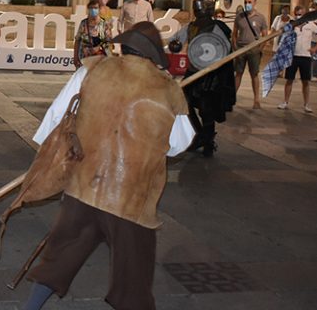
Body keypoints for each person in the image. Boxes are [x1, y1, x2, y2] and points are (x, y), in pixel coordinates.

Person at [15, 23, 193, 310]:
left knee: (59, 258)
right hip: (130, 202)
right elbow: (179, 144)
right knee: (133, 279)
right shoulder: (167, 88)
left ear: (125, 46)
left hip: (84, 187)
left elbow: (55, 117)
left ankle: (30, 308)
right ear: (153, 54)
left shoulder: (92, 69)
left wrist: (50, 161)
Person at [169, 0, 236, 158]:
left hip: (210, 75)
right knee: (184, 103)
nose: (197, 11)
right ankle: (201, 135)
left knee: (207, 109)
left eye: (200, 8)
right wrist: (174, 44)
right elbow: (175, 40)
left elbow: (225, 49)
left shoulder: (217, 27)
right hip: (193, 71)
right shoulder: (191, 27)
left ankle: (207, 140)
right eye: (196, 8)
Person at [278, 5, 317, 113]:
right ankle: (285, 102)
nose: (299, 16)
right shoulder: (292, 25)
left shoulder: (311, 25)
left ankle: (307, 104)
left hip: (305, 57)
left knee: (305, 81)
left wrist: (315, 48)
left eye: (301, 14)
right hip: (293, 56)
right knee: (289, 79)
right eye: (297, 14)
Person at [232, 0, 268, 109]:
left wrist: (260, 49)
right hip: (241, 49)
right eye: (246, 2)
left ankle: (256, 100)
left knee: (254, 75)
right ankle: (232, 97)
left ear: (255, 3)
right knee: (238, 74)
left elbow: (265, 35)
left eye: (250, 2)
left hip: (254, 50)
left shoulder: (260, 18)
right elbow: (234, 33)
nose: (247, 4)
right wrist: (235, 47)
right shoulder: (239, 17)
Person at [73, 0, 110, 68]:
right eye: (91, 8)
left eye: (95, 8)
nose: (93, 10)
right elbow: (77, 40)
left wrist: (99, 48)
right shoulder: (84, 24)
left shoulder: (103, 24)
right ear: (88, 9)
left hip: (99, 59)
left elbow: (107, 42)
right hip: (84, 59)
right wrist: (75, 58)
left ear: (99, 9)